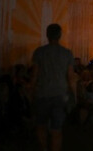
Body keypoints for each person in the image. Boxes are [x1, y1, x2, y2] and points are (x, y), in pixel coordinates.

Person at [31, 23, 76, 151]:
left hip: (42, 94)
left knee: (41, 126)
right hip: (60, 95)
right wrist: (74, 95)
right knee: (57, 130)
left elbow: (34, 75)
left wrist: (31, 91)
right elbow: (71, 77)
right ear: (60, 35)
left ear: (47, 35)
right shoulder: (67, 53)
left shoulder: (39, 52)